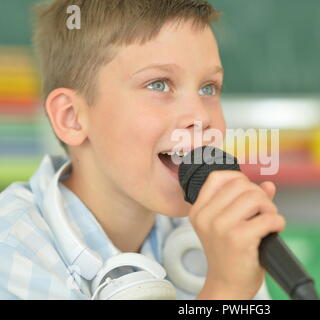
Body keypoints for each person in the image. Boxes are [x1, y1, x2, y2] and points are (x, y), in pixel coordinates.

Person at [0, 0, 285, 300]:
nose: (201, 117)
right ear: (71, 117)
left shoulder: (212, 232)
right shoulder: (13, 251)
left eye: (209, 88)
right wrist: (226, 291)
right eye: (159, 85)